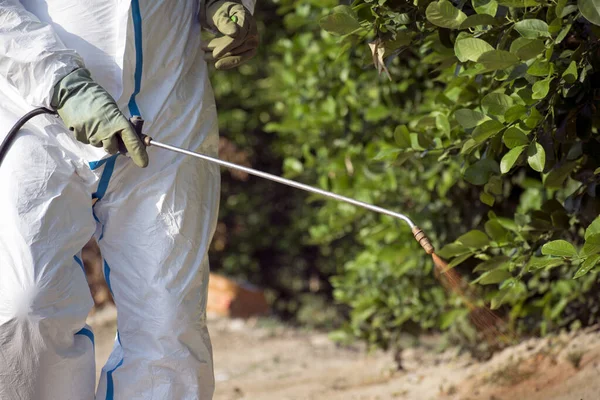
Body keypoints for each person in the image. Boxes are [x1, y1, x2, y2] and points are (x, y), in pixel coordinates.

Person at [0, 0, 258, 399]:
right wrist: (61, 83)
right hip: (33, 106)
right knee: (24, 304)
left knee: (169, 322)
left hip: (167, 102)